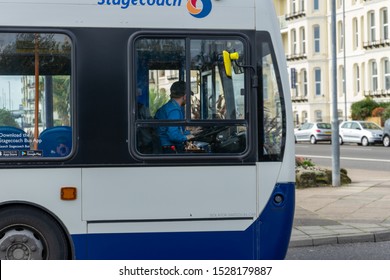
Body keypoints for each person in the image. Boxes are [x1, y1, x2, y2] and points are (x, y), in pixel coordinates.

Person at [155, 81, 194, 153]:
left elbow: (173, 130)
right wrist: (188, 137)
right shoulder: (174, 110)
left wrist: (190, 132)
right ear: (185, 96)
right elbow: (174, 136)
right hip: (168, 149)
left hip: (162, 146)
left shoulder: (169, 106)